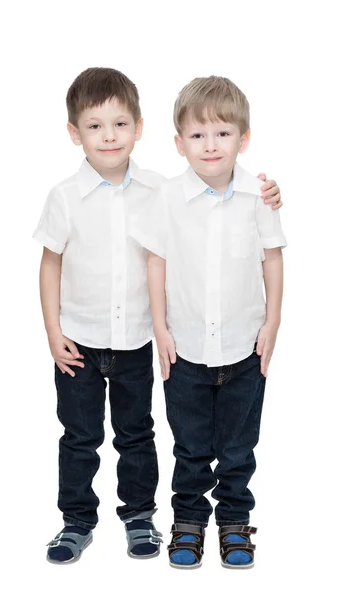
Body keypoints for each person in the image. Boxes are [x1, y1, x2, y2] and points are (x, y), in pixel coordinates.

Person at [33, 67, 283, 565]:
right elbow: (52, 261)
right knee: (79, 436)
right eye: (95, 126)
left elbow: (221, 195)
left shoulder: (159, 188)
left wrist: (268, 191)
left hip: (142, 341)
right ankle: (76, 521)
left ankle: (141, 516)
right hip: (81, 338)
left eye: (120, 124)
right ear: (73, 133)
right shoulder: (68, 195)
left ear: (140, 129)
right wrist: (52, 329)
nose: (109, 136)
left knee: (138, 433)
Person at [130, 75, 287, 569]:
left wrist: (273, 322)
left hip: (246, 347)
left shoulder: (259, 195)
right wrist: (161, 329)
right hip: (187, 348)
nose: (210, 145)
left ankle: (235, 522)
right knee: (191, 446)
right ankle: (189, 520)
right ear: (179, 144)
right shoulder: (167, 198)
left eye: (222, 133)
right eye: (197, 135)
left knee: (240, 447)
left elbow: (272, 258)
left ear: (244, 139)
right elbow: (155, 261)